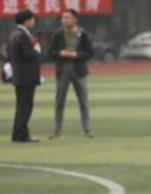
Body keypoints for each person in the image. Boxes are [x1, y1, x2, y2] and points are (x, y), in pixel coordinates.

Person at [47, 9, 94, 139]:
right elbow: (50, 52)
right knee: (59, 102)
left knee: (83, 102)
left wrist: (76, 55)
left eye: (67, 18)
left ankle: (87, 129)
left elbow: (90, 52)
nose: (64, 21)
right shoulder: (58, 34)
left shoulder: (83, 34)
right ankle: (57, 130)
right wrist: (60, 53)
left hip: (79, 72)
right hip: (63, 71)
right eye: (63, 18)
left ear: (75, 19)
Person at [9, 9, 42, 142]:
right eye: (32, 19)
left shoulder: (15, 33)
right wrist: (37, 49)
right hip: (26, 77)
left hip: (20, 76)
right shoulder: (22, 35)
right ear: (27, 20)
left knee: (21, 107)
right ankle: (22, 135)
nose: (33, 21)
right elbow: (28, 54)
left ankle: (17, 134)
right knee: (25, 107)